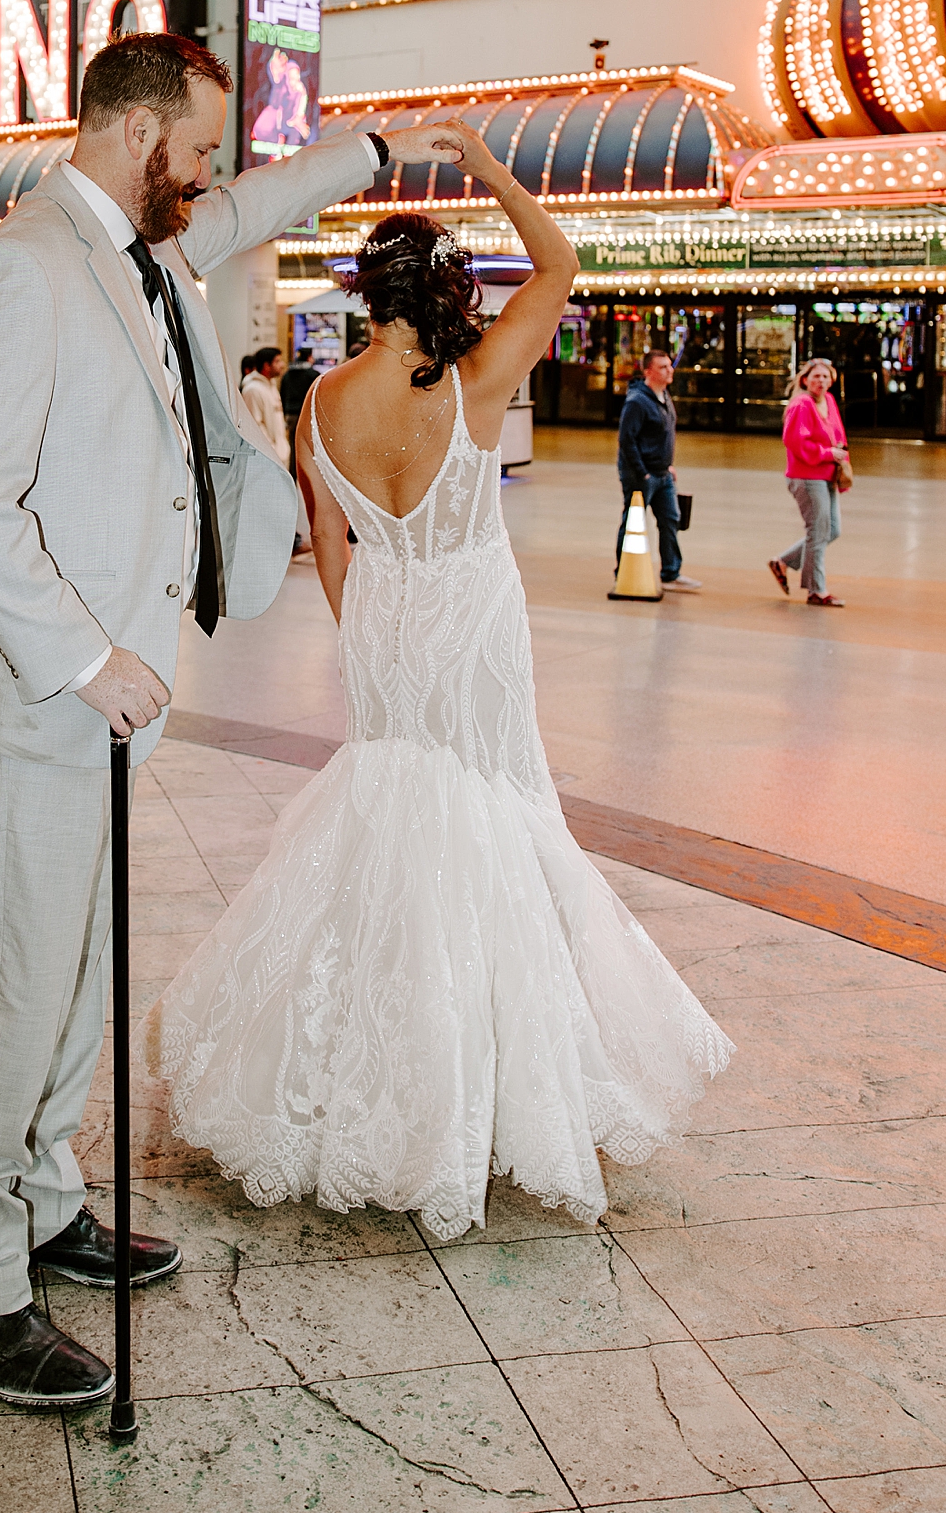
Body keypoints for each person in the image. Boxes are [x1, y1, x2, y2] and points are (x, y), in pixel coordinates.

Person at [0, 30, 463, 1412]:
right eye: (200, 148)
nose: (211, 175)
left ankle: (43, 1202)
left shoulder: (146, 245)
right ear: (133, 129)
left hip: (109, 703)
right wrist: (86, 653)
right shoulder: (28, 264)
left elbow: (252, 209)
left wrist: (380, 156)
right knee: (21, 980)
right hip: (53, 694)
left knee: (81, 971)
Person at [148, 132, 732, 1241]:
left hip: (382, 620)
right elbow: (558, 265)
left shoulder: (323, 398)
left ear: (366, 294)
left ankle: (344, 1076)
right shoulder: (474, 378)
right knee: (498, 816)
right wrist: (492, 172)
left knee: (389, 814)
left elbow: (327, 536)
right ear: (448, 289)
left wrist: (366, 622)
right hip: (470, 617)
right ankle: (488, 1085)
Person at [616, 347, 700, 592]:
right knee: (632, 522)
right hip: (642, 475)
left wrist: (668, 465)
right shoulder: (637, 401)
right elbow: (627, 440)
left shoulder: (664, 396)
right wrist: (643, 472)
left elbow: (663, 436)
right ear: (648, 371)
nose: (669, 370)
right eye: (663, 367)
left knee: (670, 519)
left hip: (663, 474)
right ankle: (623, 572)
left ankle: (671, 573)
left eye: (669, 365)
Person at [771, 357, 849, 607]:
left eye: (826, 377)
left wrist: (841, 463)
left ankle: (783, 562)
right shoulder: (802, 405)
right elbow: (794, 441)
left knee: (831, 530)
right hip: (806, 476)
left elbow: (838, 435)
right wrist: (827, 454)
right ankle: (816, 591)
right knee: (817, 531)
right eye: (816, 376)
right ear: (805, 380)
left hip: (827, 474)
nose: (821, 381)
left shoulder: (829, 401)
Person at [280, 342, 319, 555]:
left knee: (291, 447)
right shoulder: (312, 375)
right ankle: (301, 475)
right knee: (303, 449)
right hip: (305, 416)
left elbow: (282, 392)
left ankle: (293, 474)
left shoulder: (287, 374)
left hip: (288, 415)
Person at [240, 345, 289, 467]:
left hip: (279, 453)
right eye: (277, 361)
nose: (282, 365)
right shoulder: (252, 389)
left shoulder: (270, 385)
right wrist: (271, 450)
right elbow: (255, 425)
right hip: (267, 456)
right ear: (266, 366)